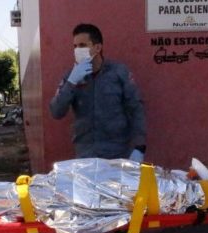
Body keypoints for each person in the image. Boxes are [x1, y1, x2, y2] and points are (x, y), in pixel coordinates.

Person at [49, 23, 146, 162]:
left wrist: (139, 146)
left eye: (82, 45)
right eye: (75, 46)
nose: (77, 50)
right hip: (85, 155)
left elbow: (136, 108)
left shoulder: (119, 72)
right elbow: (56, 112)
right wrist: (71, 82)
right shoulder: (71, 76)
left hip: (117, 153)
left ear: (98, 47)